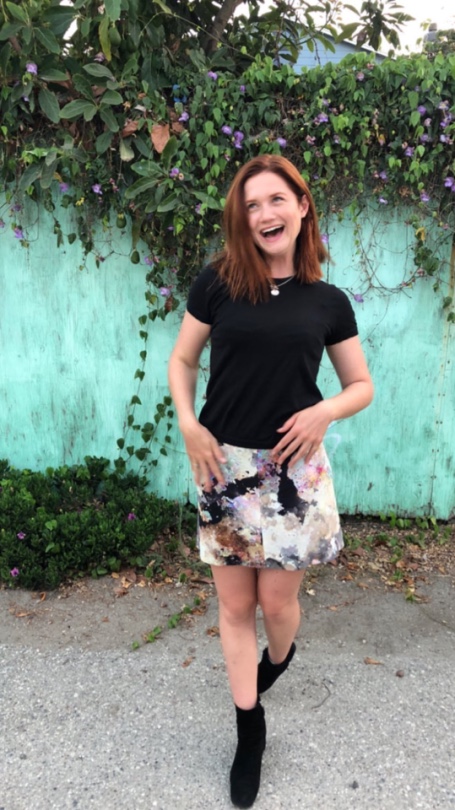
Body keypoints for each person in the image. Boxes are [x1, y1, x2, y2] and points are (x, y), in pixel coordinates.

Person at [168, 154, 374, 808]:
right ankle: (249, 730)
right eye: (251, 204)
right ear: (243, 218)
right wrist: (188, 424)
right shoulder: (217, 283)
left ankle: (279, 659)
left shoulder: (328, 301)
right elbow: (183, 359)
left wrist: (324, 410)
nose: (264, 213)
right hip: (223, 468)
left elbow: (360, 385)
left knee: (277, 608)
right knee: (235, 608)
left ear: (302, 206)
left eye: (276, 199)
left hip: (293, 476)